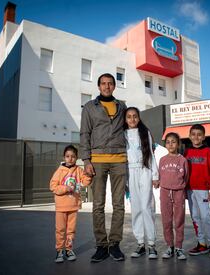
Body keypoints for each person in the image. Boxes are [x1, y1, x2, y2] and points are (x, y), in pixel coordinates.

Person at [80, 73, 127, 262]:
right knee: (97, 205)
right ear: (98, 87)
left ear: (114, 86)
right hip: (97, 160)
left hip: (119, 160)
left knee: (119, 205)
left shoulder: (122, 106)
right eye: (103, 84)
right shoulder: (90, 107)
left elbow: (130, 128)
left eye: (110, 83)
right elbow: (85, 133)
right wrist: (86, 160)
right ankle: (101, 245)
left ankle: (115, 244)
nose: (107, 86)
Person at [124, 107, 159, 259]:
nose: (132, 119)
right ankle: (140, 244)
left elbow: (151, 155)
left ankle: (151, 244)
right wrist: (125, 178)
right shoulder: (122, 135)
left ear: (139, 118)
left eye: (135, 116)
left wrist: (155, 175)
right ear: (125, 120)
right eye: (129, 117)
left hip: (144, 170)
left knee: (147, 207)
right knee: (136, 207)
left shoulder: (145, 133)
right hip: (131, 173)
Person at [49, 145, 92, 263]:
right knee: (60, 229)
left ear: (76, 158)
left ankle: (68, 250)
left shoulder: (78, 170)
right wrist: (66, 188)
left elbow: (85, 181)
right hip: (61, 207)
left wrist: (88, 175)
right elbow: (53, 186)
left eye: (73, 156)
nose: (70, 158)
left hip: (73, 206)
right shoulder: (59, 171)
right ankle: (59, 251)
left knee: (71, 230)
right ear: (64, 157)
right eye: (67, 156)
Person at [184, 124, 210, 258]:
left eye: (199, 134)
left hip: (203, 190)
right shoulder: (186, 152)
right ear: (189, 136)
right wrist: (183, 189)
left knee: (206, 217)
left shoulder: (208, 151)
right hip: (190, 190)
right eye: (193, 134)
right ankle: (201, 244)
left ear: (204, 137)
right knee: (195, 217)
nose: (196, 137)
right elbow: (184, 171)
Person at [158, 132, 189, 260]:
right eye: (168, 142)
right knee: (166, 220)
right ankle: (169, 246)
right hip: (165, 192)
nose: (171, 144)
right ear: (165, 144)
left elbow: (186, 177)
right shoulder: (162, 160)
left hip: (179, 192)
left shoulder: (183, 160)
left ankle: (179, 247)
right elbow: (160, 176)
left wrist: (181, 188)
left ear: (178, 144)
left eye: (173, 142)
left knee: (179, 220)